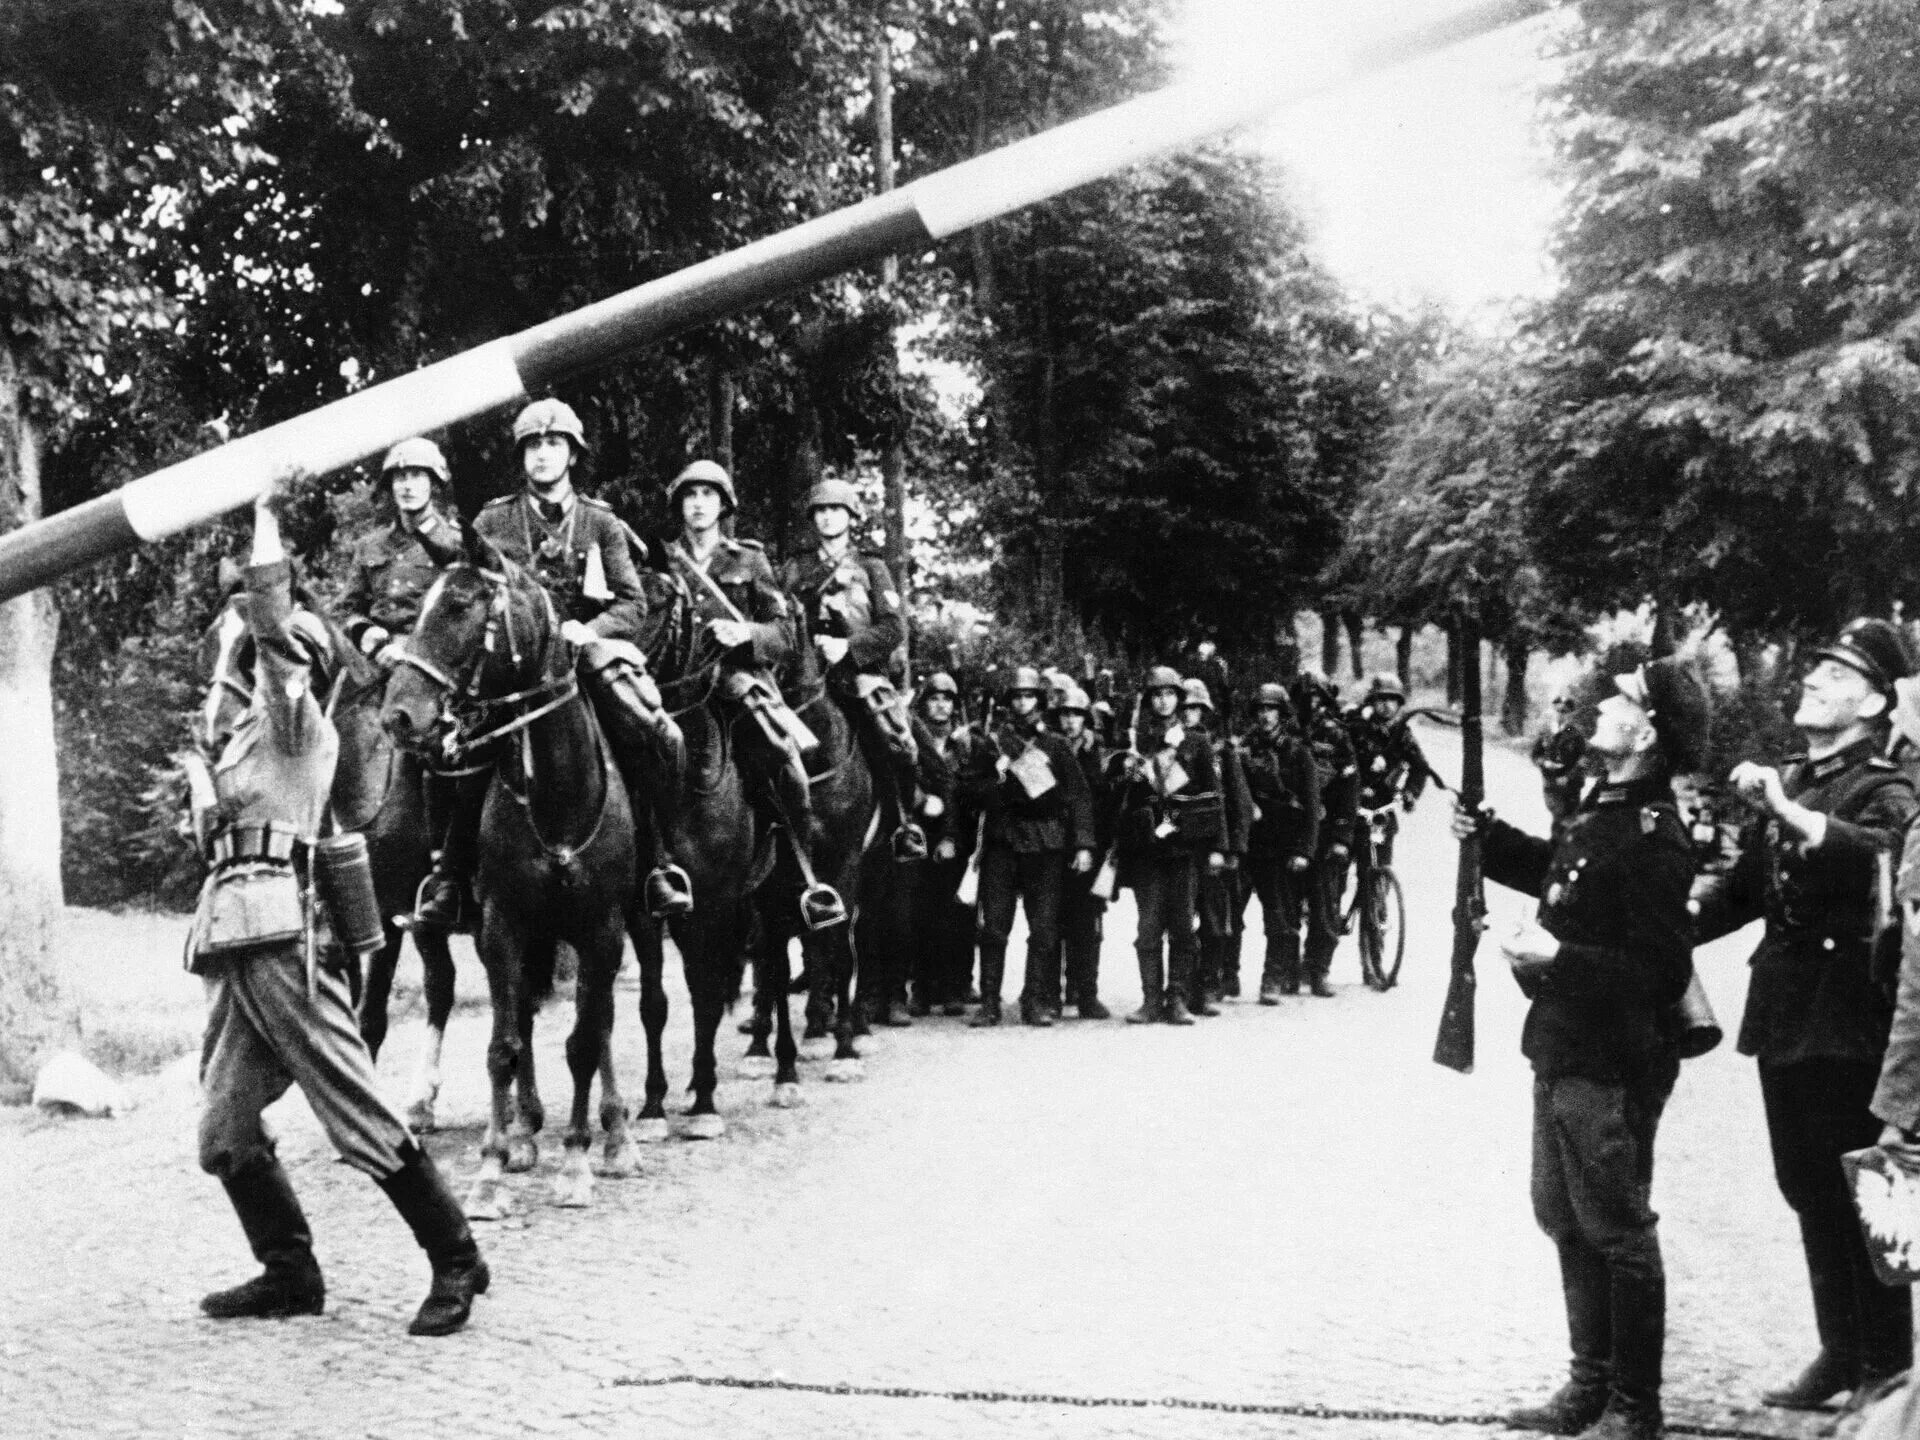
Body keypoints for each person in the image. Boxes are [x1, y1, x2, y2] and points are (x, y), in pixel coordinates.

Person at [189, 486, 487, 1337]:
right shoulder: (238, 741)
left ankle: (457, 1257)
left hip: (292, 940)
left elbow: (272, 626)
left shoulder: (297, 725)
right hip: (234, 941)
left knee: (357, 1114)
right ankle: (290, 1273)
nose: (251, 661)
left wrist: (263, 517)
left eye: (267, 652)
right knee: (224, 1132)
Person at [1456, 657, 1706, 1440]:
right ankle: (1588, 1385)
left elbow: (1661, 972)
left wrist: (1558, 957)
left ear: (1647, 732)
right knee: (1563, 1215)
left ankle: (1635, 1405)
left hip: (1614, 1058)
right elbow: (1566, 876)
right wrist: (1489, 839)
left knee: (1617, 1228)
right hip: (1566, 1044)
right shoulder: (1609, 805)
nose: (1602, 706)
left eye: (1622, 700)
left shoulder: (1655, 834)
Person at [1695, 618, 1918, 1413]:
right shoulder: (1796, 779)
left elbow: (1881, 854)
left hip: (1849, 1019)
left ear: (1875, 703)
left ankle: (1887, 1369)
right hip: (1788, 1013)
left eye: (1837, 675)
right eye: (1816, 669)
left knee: (1863, 1191)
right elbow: (1742, 893)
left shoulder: (1885, 788)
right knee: (1807, 1187)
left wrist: (1788, 812)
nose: (1814, 681)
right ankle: (1841, 1350)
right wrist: (1658, 925)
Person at [421, 398, 687, 926]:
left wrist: (590, 631)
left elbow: (632, 602)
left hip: (583, 655)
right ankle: (450, 876)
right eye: (533, 446)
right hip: (514, 666)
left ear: (572, 454)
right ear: (522, 457)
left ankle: (658, 864)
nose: (542, 454)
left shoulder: (600, 521)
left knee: (652, 733)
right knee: (466, 748)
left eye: (553, 444)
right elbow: (467, 585)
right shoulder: (494, 519)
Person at [664, 458, 842, 926]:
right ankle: (651, 868)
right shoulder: (662, 560)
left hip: (738, 683)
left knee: (786, 761)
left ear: (724, 505)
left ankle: (805, 878)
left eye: (708, 495)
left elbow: (785, 634)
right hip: (673, 689)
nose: (698, 504)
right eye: (689, 495)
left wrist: (745, 633)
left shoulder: (748, 560)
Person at [779, 478, 928, 860]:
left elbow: (893, 628)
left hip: (857, 676)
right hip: (800, 677)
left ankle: (902, 822)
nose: (828, 517)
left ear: (850, 516)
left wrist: (848, 647)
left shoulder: (871, 567)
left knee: (895, 737)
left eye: (836, 510)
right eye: (821, 511)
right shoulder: (795, 568)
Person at [972, 667, 1096, 1028]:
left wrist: (1083, 844)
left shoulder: (1055, 745)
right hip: (1003, 842)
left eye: (1029, 696)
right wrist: (996, 778)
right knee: (994, 928)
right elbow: (969, 791)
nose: (1023, 703)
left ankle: (1035, 1000)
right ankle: (989, 1003)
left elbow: (1078, 796)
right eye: (1017, 697)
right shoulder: (992, 743)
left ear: (1039, 701)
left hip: (1046, 843)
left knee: (1043, 929)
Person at [1113, 667, 1227, 1026]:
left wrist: (1218, 847)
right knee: (1148, 928)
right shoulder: (1138, 741)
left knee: (1182, 926)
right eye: (1157, 695)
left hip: (1184, 847)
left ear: (1179, 698)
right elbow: (1122, 799)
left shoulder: (1195, 742)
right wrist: (1129, 777)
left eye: (1170, 694)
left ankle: (1177, 997)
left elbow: (1214, 797)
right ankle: (1150, 1000)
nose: (1163, 701)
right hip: (1147, 848)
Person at [909, 673, 989, 1015]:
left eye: (947, 699)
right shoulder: (911, 740)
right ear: (923, 704)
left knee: (960, 915)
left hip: (960, 840)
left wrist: (954, 837)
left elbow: (981, 787)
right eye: (934, 698)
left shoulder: (970, 744)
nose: (941, 705)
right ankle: (923, 989)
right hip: (918, 836)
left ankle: (957, 985)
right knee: (921, 914)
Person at [1236, 683, 1321, 1002]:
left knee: (1278, 916)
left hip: (1280, 844)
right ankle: (1225, 974)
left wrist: (1304, 850)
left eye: (1271, 709)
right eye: (1260, 709)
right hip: (1248, 842)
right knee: (1230, 911)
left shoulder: (1298, 752)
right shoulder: (1244, 748)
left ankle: (1273, 978)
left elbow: (1312, 805)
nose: (1265, 715)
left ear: (1282, 714)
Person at [1182, 678, 1253, 1011]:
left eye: (1195, 708)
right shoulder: (1170, 747)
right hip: (1183, 845)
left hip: (1214, 847)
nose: (1188, 714)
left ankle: (1211, 983)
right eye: (1184, 708)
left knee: (1214, 922)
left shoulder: (1222, 752)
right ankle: (1183, 986)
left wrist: (1233, 849)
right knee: (1181, 921)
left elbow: (1239, 802)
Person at [1297, 669, 1358, 997]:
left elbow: (1349, 787)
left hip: (1326, 830)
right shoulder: (1288, 730)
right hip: (1294, 831)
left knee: (1325, 906)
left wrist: (1342, 838)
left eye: (1316, 697)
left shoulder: (1336, 734)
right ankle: (1289, 968)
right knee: (1288, 905)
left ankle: (1318, 969)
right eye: (1304, 697)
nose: (1310, 703)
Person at [1055, 685, 1114, 1019]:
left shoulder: (1098, 754)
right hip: (1053, 844)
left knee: (1087, 924)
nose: (1070, 721)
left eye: (1076, 714)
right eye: (1065, 714)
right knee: (1051, 920)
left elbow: (1105, 799)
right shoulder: (1048, 748)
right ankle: (1052, 990)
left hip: (1091, 846)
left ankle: (1086, 991)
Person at [1534, 688, 1591, 834]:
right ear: (1554, 711)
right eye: (1558, 711)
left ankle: (1562, 843)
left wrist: (1568, 777)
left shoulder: (1576, 735)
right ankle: (1559, 842)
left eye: (1565, 712)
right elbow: (1535, 755)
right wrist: (1544, 762)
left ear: (1571, 714)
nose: (1561, 715)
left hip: (1571, 785)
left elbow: (1583, 760)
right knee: (1559, 817)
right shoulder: (1546, 732)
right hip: (1551, 783)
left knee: (1569, 819)